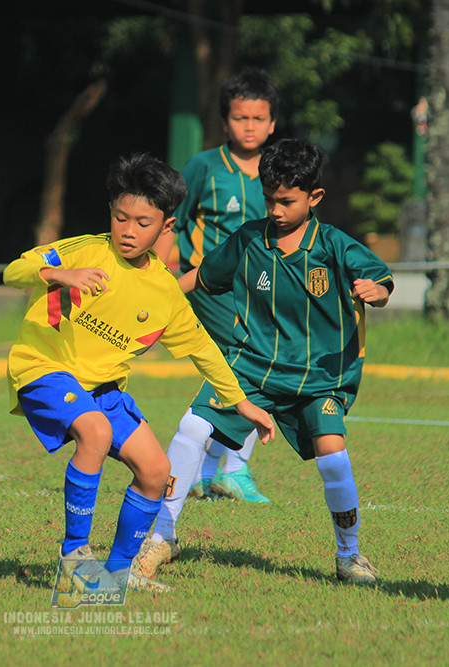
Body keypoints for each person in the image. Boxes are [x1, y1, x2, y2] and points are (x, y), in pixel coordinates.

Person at [4, 153, 275, 595]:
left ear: (167, 226)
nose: (128, 230)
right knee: (93, 432)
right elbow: (13, 271)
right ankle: (75, 557)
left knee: (156, 469)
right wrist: (59, 273)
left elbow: (205, 351)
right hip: (44, 367)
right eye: (120, 217)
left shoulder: (165, 293)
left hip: (103, 389)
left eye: (142, 222)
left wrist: (243, 404)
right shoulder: (87, 249)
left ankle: (115, 574)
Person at [134, 138, 393, 585]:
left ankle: (348, 555)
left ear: (314, 198)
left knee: (333, 454)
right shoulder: (250, 238)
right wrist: (152, 299)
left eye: (286, 201)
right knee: (193, 427)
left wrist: (379, 292)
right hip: (252, 364)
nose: (275, 209)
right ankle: (162, 536)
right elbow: (203, 275)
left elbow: (380, 279)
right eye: (269, 198)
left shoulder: (333, 245)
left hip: (319, 376)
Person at [154, 69, 279, 504]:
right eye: (240, 117)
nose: (249, 126)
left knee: (253, 365)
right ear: (226, 121)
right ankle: (229, 468)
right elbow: (172, 220)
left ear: (272, 123)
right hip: (209, 286)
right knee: (255, 359)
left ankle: (211, 470)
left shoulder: (275, 170)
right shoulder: (205, 166)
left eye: (258, 118)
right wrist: (155, 273)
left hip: (261, 288)